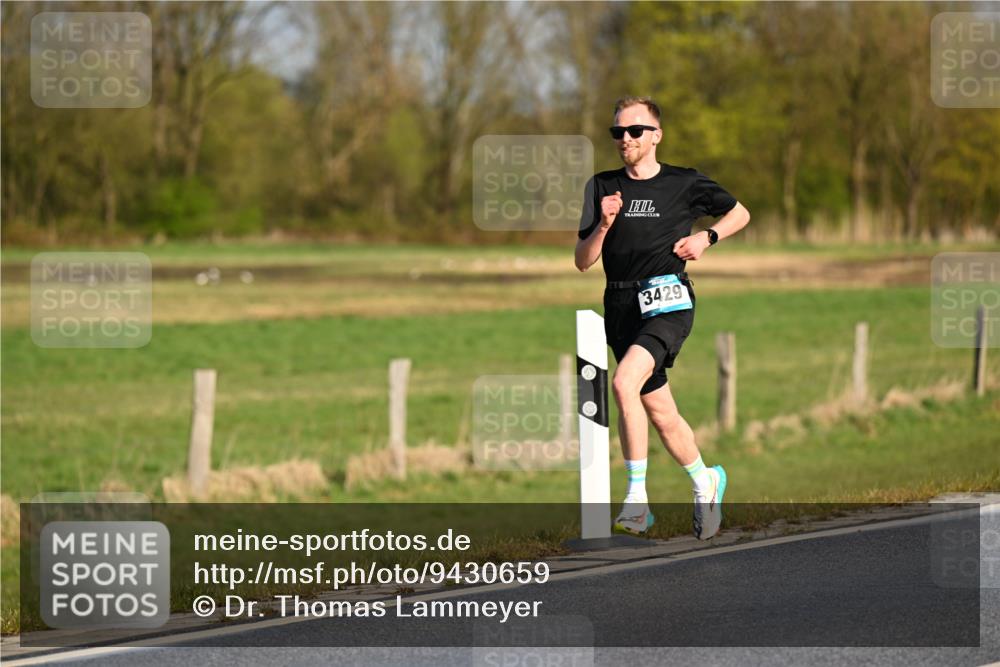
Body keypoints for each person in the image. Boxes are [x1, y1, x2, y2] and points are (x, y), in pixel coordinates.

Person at [574, 96, 750, 539]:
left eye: (635, 131)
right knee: (661, 412)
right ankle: (705, 480)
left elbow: (739, 212)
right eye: (618, 132)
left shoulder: (683, 182)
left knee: (623, 383)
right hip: (619, 305)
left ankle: (637, 502)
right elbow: (582, 260)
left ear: (656, 136)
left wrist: (707, 238)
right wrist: (603, 225)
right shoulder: (601, 186)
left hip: (667, 302)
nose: (625, 139)